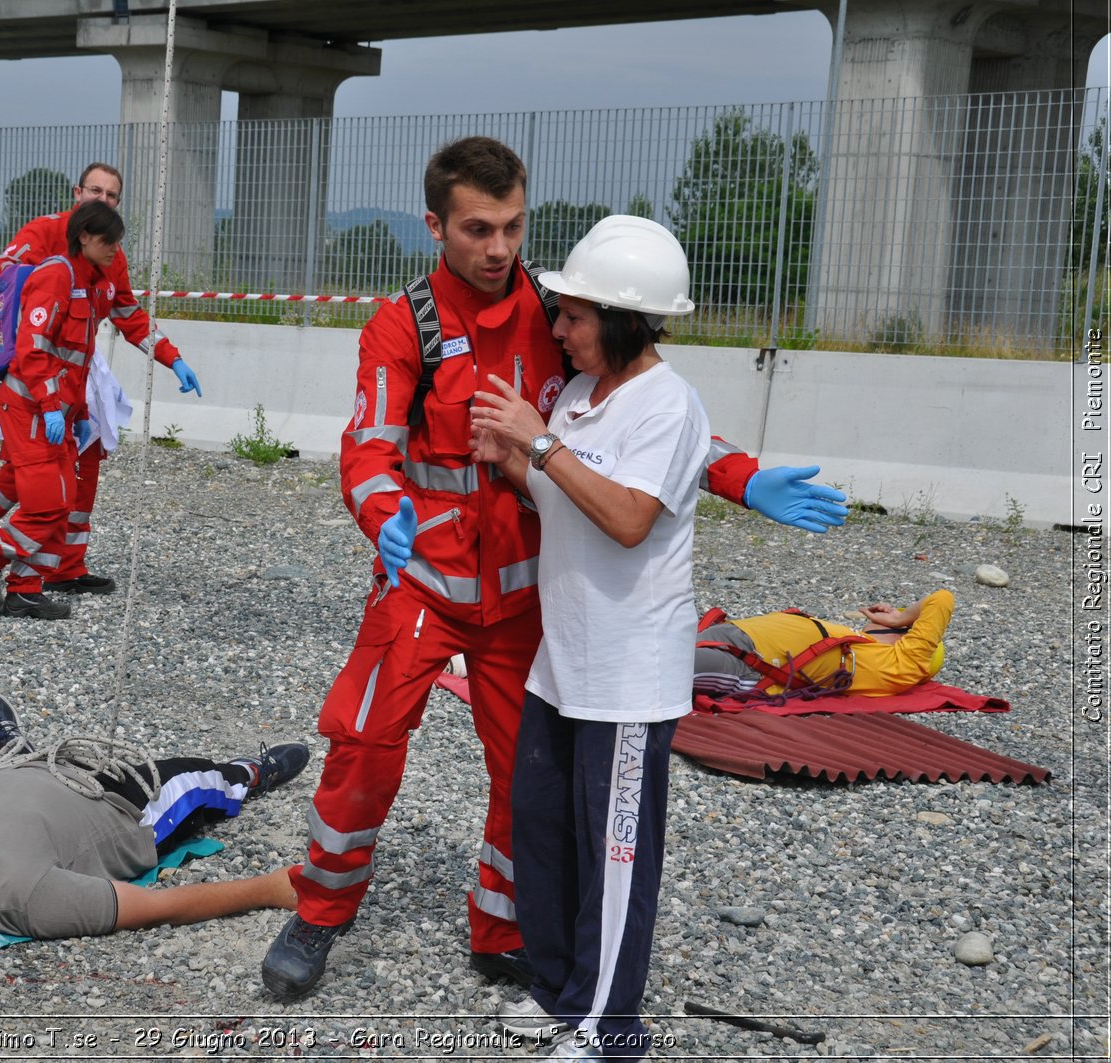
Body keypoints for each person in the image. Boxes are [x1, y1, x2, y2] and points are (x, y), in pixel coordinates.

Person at [259, 138, 849, 1003]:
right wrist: (387, 516)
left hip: (530, 603)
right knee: (366, 743)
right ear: (436, 226)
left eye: (513, 226)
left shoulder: (558, 311)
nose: (499, 248)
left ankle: (503, 927)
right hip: (426, 588)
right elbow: (368, 448)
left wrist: (742, 474)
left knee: (526, 779)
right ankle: (321, 908)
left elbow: (641, 424)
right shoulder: (405, 325)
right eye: (478, 229)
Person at [471, 216, 705, 1061]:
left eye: (573, 317)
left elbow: (628, 520)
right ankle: (563, 992)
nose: (558, 331)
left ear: (625, 318)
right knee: (541, 829)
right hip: (561, 666)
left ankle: (611, 1025)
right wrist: (506, 453)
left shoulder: (669, 405)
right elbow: (556, 496)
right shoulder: (577, 396)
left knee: (615, 859)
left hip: (629, 678)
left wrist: (537, 442)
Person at [0, 693, 310, 938]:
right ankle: (248, 773)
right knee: (193, 775)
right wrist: (268, 889)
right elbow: (157, 907)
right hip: (119, 804)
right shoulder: (28, 898)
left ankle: (14, 747)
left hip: (19, 771)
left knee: (0, 771)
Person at [0, 162, 203, 593]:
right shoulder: (50, 241)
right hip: (35, 370)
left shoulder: (110, 252)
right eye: (96, 192)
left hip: (79, 370)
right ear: (77, 192)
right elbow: (5, 279)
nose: (103, 201)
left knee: (75, 467)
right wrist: (52, 287)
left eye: (112, 196)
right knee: (35, 471)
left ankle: (62, 567)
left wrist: (171, 358)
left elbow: (127, 314)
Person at [0, 201, 124, 620]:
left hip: (55, 412)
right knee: (47, 505)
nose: (115, 250)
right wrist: (53, 407)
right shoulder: (56, 275)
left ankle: (25, 591)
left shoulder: (89, 283)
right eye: (109, 241)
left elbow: (76, 358)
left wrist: (77, 411)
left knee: (61, 501)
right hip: (30, 408)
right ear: (85, 236)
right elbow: (32, 351)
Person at [694, 589, 953, 698]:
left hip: (748, 665)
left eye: (897, 618)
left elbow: (942, 599)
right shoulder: (860, 643)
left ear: (904, 636)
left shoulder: (899, 667)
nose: (888, 613)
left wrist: (901, 618)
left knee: (659, 665)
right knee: (655, 645)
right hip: (736, 634)